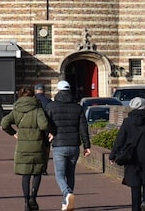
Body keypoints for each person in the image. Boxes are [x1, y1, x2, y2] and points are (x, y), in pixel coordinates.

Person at [2, 87, 54, 211]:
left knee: (25, 175)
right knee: (37, 173)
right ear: (32, 97)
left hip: (22, 147)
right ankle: (33, 198)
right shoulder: (38, 109)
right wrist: (50, 132)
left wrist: (13, 133)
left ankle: (26, 201)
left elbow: (4, 123)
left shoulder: (16, 110)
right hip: (38, 146)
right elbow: (44, 124)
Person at [112, 97, 145, 211]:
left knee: (135, 186)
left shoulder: (127, 122)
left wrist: (113, 155)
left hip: (131, 158)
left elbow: (120, 140)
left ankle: (135, 208)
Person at [45, 80, 91, 211]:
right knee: (70, 174)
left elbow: (45, 124)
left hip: (59, 144)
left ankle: (66, 193)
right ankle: (65, 203)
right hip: (74, 144)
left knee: (59, 174)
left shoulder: (51, 106)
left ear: (58, 91)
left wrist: (49, 136)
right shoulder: (77, 107)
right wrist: (87, 146)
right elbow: (83, 127)